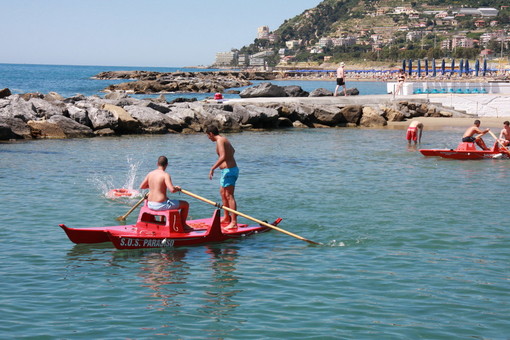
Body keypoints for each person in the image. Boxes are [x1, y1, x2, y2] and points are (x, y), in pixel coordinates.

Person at [139, 155, 192, 231]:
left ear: (157, 164)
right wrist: (177, 188)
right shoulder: (165, 175)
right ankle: (183, 224)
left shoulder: (150, 174)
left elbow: (142, 186)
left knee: (167, 199)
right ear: (167, 164)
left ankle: (162, 221)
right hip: (160, 205)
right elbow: (172, 190)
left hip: (150, 204)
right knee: (185, 204)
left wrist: (154, 186)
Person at [206, 126, 239, 230]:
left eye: (208, 135)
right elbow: (233, 151)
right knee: (223, 194)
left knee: (229, 196)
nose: (208, 138)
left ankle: (234, 222)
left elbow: (223, 156)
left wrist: (213, 168)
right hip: (227, 171)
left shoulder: (220, 140)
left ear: (211, 133)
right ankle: (226, 217)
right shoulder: (224, 139)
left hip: (229, 171)